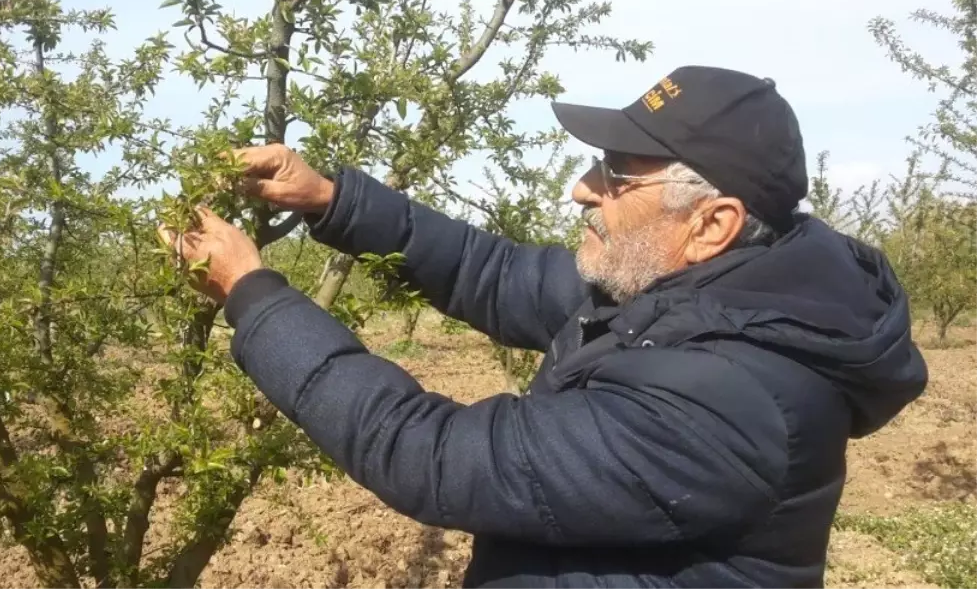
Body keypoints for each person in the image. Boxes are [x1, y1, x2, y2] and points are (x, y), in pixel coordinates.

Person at [159, 65, 928, 588]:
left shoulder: (726, 398)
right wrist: (329, 198)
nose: (578, 189)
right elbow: (487, 272)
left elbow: (430, 455)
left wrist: (251, 292)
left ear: (710, 222)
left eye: (614, 176)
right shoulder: (684, 290)